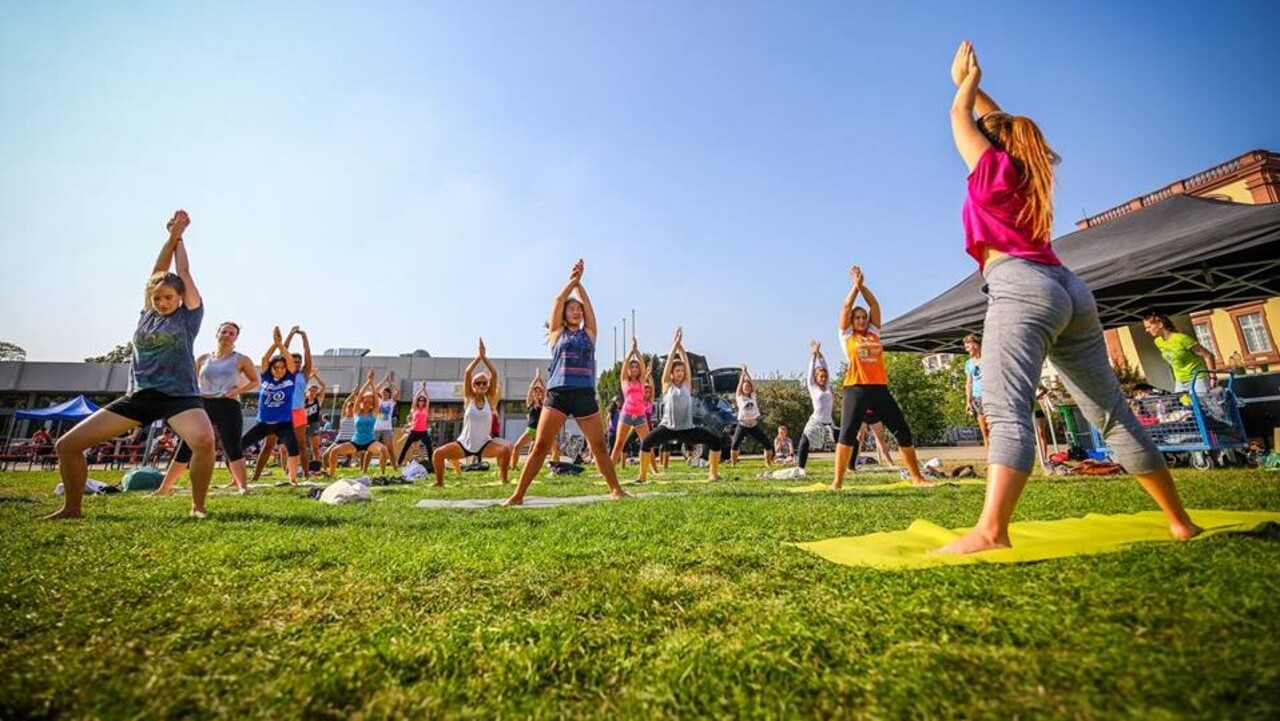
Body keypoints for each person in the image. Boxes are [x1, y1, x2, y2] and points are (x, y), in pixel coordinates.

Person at [937, 41, 1199, 553]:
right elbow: (1000, 124)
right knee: (1112, 413)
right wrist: (976, 89)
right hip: (1068, 288)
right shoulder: (1028, 169)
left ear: (991, 144)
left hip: (1020, 286)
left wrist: (965, 85)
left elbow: (958, 116)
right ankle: (1180, 521)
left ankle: (991, 531)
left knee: (1006, 409)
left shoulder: (990, 170)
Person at [47, 209, 216, 520]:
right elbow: (157, 271)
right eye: (157, 298)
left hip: (179, 396)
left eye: (168, 297)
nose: (162, 303)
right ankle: (72, 508)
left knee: (204, 442)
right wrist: (172, 236)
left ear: (180, 297)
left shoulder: (188, 316)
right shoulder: (148, 313)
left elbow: (183, 271)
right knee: (67, 445)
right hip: (139, 396)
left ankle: (198, 506)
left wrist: (179, 238)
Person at [505, 260, 628, 504]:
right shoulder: (556, 334)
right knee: (541, 445)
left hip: (584, 394)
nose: (576, 311)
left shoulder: (589, 334)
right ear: (563, 314)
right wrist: (573, 281)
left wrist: (580, 286)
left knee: (599, 446)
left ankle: (616, 490)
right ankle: (518, 495)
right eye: (571, 308)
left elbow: (589, 307)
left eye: (578, 309)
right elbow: (558, 300)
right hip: (558, 393)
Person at [832, 266, 931, 490]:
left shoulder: (873, 334)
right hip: (856, 388)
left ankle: (917, 478)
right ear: (851, 321)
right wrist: (855, 287)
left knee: (902, 430)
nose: (860, 320)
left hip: (879, 388)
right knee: (847, 434)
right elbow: (846, 307)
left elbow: (875, 305)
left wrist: (863, 287)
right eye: (857, 317)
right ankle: (837, 482)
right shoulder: (846, 336)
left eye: (863, 317)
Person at [156, 320, 260, 495]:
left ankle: (243, 486)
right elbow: (191, 381)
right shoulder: (203, 358)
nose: (227, 335)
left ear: (236, 338)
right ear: (217, 334)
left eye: (231, 333)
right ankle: (164, 488)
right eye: (224, 332)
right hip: (202, 404)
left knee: (232, 445)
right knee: (187, 444)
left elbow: (255, 381)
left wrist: (237, 391)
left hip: (228, 404)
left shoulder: (241, 359)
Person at [639, 328, 724, 482]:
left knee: (715, 441)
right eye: (677, 371)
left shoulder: (686, 385)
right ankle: (642, 476)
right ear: (671, 374)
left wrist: (681, 346)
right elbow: (668, 365)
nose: (681, 373)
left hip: (687, 429)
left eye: (682, 371)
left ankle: (713, 474)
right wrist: (674, 345)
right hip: (668, 428)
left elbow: (686, 364)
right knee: (646, 443)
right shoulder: (667, 385)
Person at [432, 339, 513, 486]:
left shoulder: (490, 399)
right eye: (477, 383)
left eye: (484, 383)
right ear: (472, 386)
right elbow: (468, 372)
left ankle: (504, 479)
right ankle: (439, 483)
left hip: (484, 444)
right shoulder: (468, 398)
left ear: (488, 386)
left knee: (506, 450)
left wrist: (484, 357)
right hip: (464, 444)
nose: (481, 385)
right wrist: (478, 357)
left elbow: (494, 373)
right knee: (438, 454)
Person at [239, 327, 305, 485]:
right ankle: (238, 478)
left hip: (283, 423)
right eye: (276, 367)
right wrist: (275, 344)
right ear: (271, 368)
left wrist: (281, 345)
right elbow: (264, 358)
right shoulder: (266, 378)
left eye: (283, 367)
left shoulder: (290, 378)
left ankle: (292, 478)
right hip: (264, 423)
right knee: (239, 447)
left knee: (293, 449)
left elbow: (290, 361)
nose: (280, 370)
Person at [326, 373, 388, 476]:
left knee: (383, 449)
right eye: (366, 401)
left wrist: (372, 383)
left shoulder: (374, 412)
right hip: (356, 442)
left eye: (370, 402)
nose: (368, 403)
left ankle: (382, 475)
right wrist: (368, 381)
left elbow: (376, 399)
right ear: (362, 402)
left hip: (370, 442)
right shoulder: (356, 412)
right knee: (334, 451)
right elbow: (359, 396)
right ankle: (331, 475)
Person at [1142, 313, 1216, 395]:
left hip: (1197, 379)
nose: (1147, 330)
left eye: (1149, 327)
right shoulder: (1158, 342)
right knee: (1180, 403)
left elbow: (1208, 356)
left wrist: (1212, 377)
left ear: (1160, 324)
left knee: (1201, 402)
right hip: (1180, 381)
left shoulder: (1182, 339)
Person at [611, 339, 655, 476]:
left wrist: (637, 351)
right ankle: (610, 469)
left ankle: (654, 470)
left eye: (636, 367)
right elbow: (625, 364)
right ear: (629, 370)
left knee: (647, 443)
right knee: (619, 443)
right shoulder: (624, 380)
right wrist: (631, 351)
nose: (635, 369)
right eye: (632, 367)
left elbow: (642, 365)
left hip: (640, 415)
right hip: (626, 414)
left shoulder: (641, 381)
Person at [797, 341, 834, 472]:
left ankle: (851, 467)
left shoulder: (828, 387)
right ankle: (800, 468)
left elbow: (825, 365)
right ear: (816, 378)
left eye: (825, 377)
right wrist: (813, 355)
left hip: (829, 424)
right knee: (804, 442)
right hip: (816, 422)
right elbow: (810, 372)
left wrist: (819, 353)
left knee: (850, 439)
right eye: (821, 377)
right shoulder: (813, 387)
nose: (823, 379)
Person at [730, 366, 774, 467]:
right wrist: (743, 374)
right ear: (742, 388)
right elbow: (739, 385)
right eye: (745, 387)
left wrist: (747, 372)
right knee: (734, 444)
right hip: (742, 425)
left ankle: (768, 462)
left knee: (767, 443)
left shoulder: (753, 396)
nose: (747, 388)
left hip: (753, 425)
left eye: (748, 387)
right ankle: (733, 463)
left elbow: (752, 384)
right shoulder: (740, 397)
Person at [510, 369, 548, 472]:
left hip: (540, 431)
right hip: (530, 430)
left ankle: (530, 468)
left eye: (539, 392)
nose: (537, 393)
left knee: (532, 451)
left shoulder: (543, 404)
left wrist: (540, 379)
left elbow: (545, 390)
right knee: (517, 447)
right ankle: (513, 467)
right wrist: (536, 378)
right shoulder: (530, 403)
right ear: (533, 394)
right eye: (536, 391)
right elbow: (530, 388)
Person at [964, 334, 989, 448]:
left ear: (975, 345)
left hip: (991, 395)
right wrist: (968, 402)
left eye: (968, 347)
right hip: (978, 398)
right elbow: (968, 383)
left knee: (995, 429)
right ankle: (990, 457)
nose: (966, 350)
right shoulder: (969, 363)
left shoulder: (988, 359)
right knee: (985, 431)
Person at [397, 390, 434, 467]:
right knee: (405, 447)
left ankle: (432, 464)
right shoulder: (414, 409)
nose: (421, 402)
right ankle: (399, 463)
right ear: (417, 401)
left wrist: (424, 389)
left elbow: (428, 399)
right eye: (420, 400)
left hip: (423, 432)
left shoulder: (425, 409)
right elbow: (415, 398)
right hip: (414, 431)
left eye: (423, 401)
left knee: (429, 447)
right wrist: (420, 390)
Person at [374, 372, 401, 471]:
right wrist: (384, 380)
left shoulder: (391, 402)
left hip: (387, 429)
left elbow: (398, 391)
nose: (384, 393)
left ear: (389, 394)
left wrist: (391, 382)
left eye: (386, 392)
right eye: (383, 392)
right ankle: (364, 468)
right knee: (370, 448)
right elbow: (375, 390)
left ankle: (395, 468)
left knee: (390, 449)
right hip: (376, 428)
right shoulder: (378, 401)